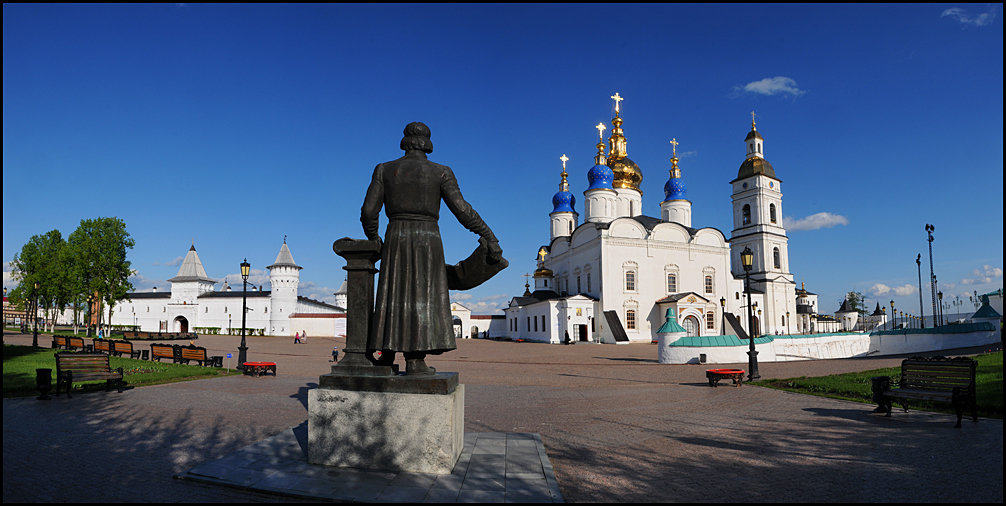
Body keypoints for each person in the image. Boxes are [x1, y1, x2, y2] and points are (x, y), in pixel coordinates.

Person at [361, 122, 502, 376]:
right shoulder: (441, 172)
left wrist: (376, 241)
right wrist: (488, 235)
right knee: (422, 297)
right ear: (427, 143)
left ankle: (386, 354)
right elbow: (462, 210)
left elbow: (368, 212)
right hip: (428, 240)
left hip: (395, 236)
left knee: (393, 293)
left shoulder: (384, 169)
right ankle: (415, 361)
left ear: (405, 141)